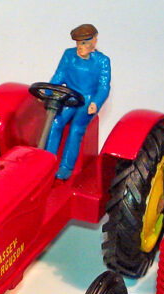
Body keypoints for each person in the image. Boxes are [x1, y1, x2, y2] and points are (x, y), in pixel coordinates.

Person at [45, 24, 111, 180]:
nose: (80, 47)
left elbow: (104, 87)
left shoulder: (102, 61)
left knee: (76, 128)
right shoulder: (68, 55)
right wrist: (47, 92)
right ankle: (48, 160)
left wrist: (96, 103)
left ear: (94, 41)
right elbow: (59, 75)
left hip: (87, 99)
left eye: (84, 43)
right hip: (70, 96)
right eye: (78, 43)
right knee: (56, 122)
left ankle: (66, 167)